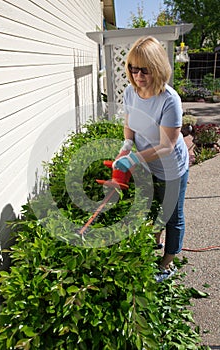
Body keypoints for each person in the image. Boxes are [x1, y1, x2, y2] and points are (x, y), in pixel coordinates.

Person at [113, 36, 189, 283]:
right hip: (146, 162)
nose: (137, 75)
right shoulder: (130, 92)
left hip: (171, 168)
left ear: (157, 68)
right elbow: (129, 124)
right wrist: (127, 145)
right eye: (133, 69)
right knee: (155, 206)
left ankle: (167, 264)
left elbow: (166, 146)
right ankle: (155, 243)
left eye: (144, 70)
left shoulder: (169, 100)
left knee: (172, 214)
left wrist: (133, 158)